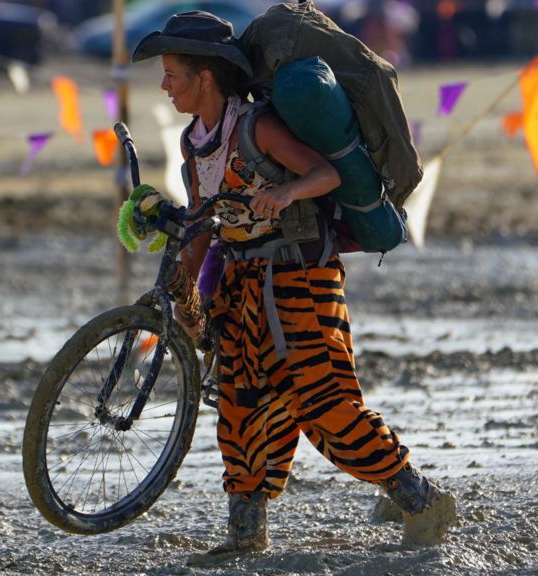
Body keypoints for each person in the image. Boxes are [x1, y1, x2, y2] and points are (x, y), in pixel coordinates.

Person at [130, 11, 456, 555]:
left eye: (172, 74)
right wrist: (183, 296)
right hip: (241, 286)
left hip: (301, 277)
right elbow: (201, 231)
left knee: (325, 403)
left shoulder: (258, 127)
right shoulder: (192, 146)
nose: (164, 86)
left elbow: (323, 174)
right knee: (240, 406)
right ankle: (244, 534)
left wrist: (283, 195)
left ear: (205, 77)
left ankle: (421, 498)